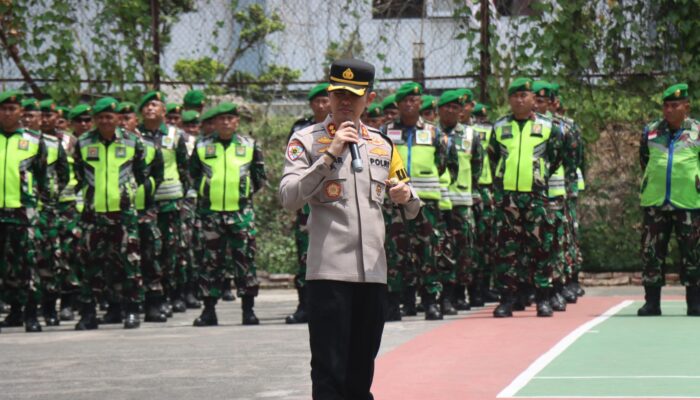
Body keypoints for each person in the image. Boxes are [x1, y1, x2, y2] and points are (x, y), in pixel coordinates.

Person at [279, 58, 420, 400]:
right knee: (329, 371)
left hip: (372, 275)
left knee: (361, 372)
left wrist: (406, 195)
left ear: (369, 99)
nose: (345, 102)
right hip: (329, 275)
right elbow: (289, 197)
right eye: (338, 94)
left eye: (354, 96)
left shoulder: (382, 145)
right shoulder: (306, 141)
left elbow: (412, 204)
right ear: (328, 95)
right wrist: (328, 156)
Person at [488, 77, 568, 318]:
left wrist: (539, 177)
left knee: (541, 248)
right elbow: (493, 159)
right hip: (508, 197)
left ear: (533, 99)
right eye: (515, 96)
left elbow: (556, 157)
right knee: (507, 250)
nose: (520, 100)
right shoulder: (500, 126)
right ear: (509, 100)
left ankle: (543, 298)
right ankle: (507, 300)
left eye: (525, 95)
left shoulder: (547, 126)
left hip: (536, 196)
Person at [73, 97, 148, 330]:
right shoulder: (84, 142)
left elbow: (142, 173)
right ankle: (88, 314)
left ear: (118, 118)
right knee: (91, 265)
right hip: (93, 214)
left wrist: (130, 196)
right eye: (101, 117)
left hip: (124, 214)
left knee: (129, 263)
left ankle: (132, 311)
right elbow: (77, 174)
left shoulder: (132, 142)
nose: (105, 121)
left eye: (110, 116)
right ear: (95, 119)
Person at [190, 102, 267, 326]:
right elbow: (192, 173)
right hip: (210, 214)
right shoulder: (202, 145)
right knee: (209, 262)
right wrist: (205, 189)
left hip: (241, 213)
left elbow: (259, 177)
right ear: (214, 122)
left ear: (236, 122)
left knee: (245, 260)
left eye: (230, 118)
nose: (225, 122)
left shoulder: (250, 145)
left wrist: (244, 192)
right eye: (221, 119)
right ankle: (208, 311)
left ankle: (248, 311)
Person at [382, 81, 448, 320]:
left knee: (429, 251)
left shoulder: (433, 132)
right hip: (394, 201)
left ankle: (431, 301)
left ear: (420, 103)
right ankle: (393, 304)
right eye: (405, 101)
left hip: (426, 202)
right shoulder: (385, 132)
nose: (410, 104)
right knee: (394, 252)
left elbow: (444, 163)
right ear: (398, 104)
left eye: (415, 100)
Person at [638, 83, 700, 317]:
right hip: (655, 202)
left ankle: (695, 302)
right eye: (665, 106)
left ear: (686, 106)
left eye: (674, 105)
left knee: (693, 253)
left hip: (690, 203)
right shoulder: (651, 130)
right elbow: (644, 159)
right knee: (651, 252)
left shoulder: (697, 131)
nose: (669, 110)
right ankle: (651, 302)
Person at [0, 90, 52, 333]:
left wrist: (41, 208)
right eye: (3, 109)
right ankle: (13, 311)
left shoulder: (33, 140)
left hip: (24, 211)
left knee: (27, 263)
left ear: (21, 112)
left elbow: (43, 177)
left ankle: (31, 313)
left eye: (12, 109)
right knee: (5, 266)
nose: (7, 113)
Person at [285, 83, 331, 324]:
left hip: (332, 199)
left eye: (326, 101)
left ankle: (326, 306)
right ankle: (304, 304)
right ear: (312, 105)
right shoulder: (300, 129)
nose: (322, 105)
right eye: (318, 102)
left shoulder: (341, 129)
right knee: (304, 253)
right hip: (306, 201)